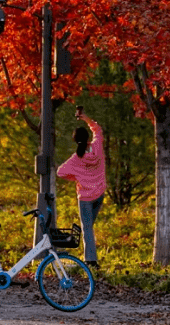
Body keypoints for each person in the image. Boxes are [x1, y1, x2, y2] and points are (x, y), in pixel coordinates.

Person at [56, 106, 106, 267]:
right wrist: (85, 118)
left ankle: (91, 261)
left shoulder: (76, 158)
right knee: (88, 228)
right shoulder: (97, 147)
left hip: (85, 197)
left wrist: (77, 178)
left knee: (87, 229)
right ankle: (90, 258)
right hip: (99, 193)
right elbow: (97, 129)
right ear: (87, 138)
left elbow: (60, 172)